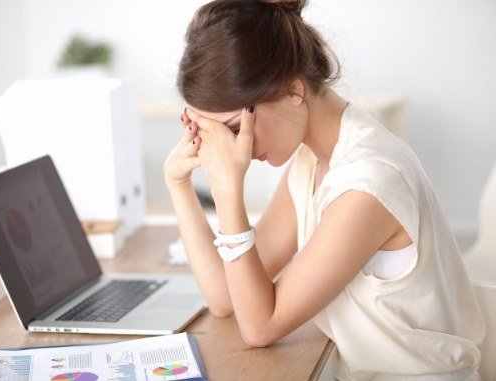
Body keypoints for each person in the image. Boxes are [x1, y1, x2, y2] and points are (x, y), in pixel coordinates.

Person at [163, 0, 486, 379]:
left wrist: (227, 191)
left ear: (292, 91)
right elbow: (223, 297)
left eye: (235, 129)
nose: (239, 152)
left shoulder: (369, 180)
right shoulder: (312, 160)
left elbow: (260, 326)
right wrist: (178, 183)